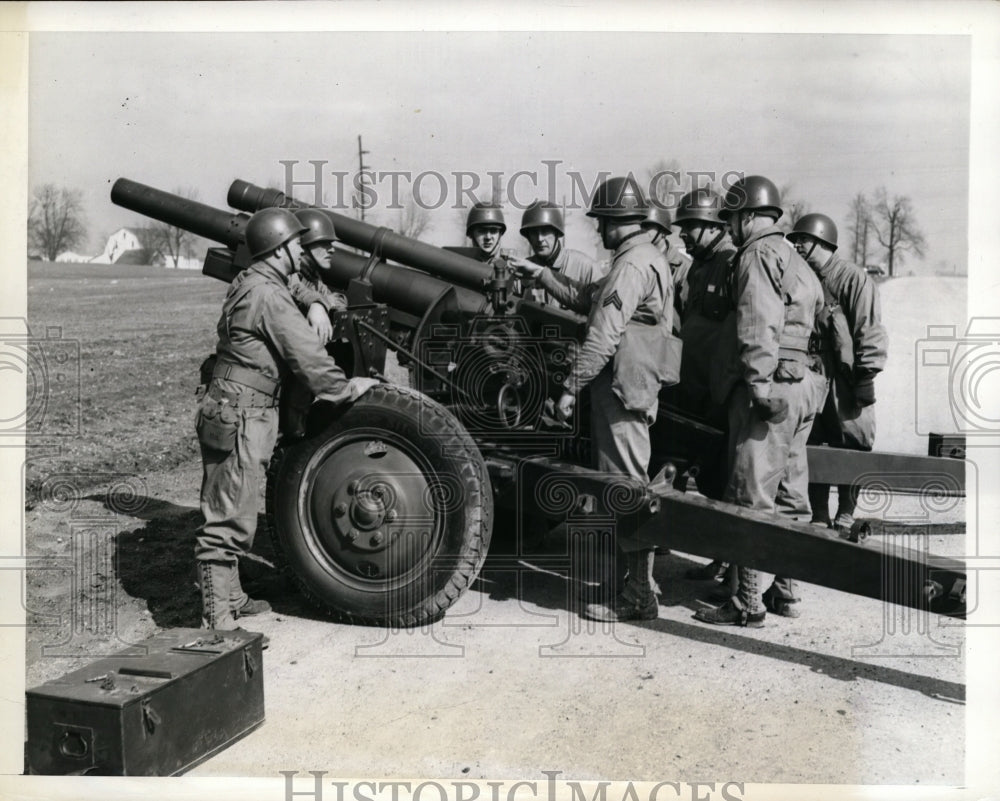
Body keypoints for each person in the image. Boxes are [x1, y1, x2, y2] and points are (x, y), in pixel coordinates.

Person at [195, 207, 378, 631]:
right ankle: (216, 618)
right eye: (296, 242)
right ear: (279, 249)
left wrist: (314, 301)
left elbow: (295, 285)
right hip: (242, 412)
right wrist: (347, 388)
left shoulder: (255, 280)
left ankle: (232, 597)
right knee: (228, 517)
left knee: (235, 502)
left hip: (234, 407)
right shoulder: (269, 297)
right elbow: (308, 358)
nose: (302, 247)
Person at [515, 175, 674, 622]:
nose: (598, 229)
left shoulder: (632, 265)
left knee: (626, 490)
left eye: (601, 221)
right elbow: (590, 297)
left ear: (616, 221)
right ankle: (631, 582)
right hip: (630, 382)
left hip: (623, 387)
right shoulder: (642, 257)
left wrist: (570, 388)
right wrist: (542, 275)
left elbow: (603, 334)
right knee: (622, 487)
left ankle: (639, 595)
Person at [694, 176, 827, 627]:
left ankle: (747, 602)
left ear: (748, 216)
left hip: (770, 389)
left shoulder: (755, 254)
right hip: (802, 382)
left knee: (750, 494)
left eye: (732, 219)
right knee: (791, 492)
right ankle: (785, 591)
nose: (729, 228)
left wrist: (757, 386)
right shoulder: (794, 256)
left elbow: (758, 324)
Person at [786, 213, 888, 531]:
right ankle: (819, 513)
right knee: (811, 441)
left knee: (853, 442)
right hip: (811, 370)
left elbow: (868, 329)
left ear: (822, 241)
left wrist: (867, 376)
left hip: (845, 375)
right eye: (795, 241)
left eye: (803, 240)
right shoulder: (801, 278)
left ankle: (846, 512)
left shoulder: (854, 279)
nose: (797, 246)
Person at [668, 188, 741, 588]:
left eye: (690, 226)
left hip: (718, 395)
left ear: (713, 227)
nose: (682, 234)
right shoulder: (697, 266)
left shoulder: (732, 264)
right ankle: (720, 558)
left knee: (727, 482)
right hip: (694, 391)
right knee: (711, 483)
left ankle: (733, 569)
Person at [281, 208, 349, 438]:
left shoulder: (314, 278)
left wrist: (324, 302)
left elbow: (336, 299)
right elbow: (294, 288)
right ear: (305, 244)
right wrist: (317, 303)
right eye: (324, 242)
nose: (332, 249)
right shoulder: (289, 273)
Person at [511, 200, 602, 307]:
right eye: (534, 233)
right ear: (528, 237)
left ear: (557, 233)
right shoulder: (522, 272)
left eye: (545, 231)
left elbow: (602, 307)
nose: (540, 239)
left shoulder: (585, 268)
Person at [465, 202, 507, 266]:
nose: (488, 237)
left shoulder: (510, 267)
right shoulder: (461, 264)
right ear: (471, 234)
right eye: (482, 231)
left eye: (493, 231)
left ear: (500, 234)